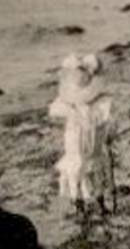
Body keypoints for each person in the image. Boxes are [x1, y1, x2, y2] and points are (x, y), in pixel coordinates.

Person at [46, 53, 114, 217]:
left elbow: (109, 124)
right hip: (76, 147)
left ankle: (98, 203)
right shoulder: (69, 105)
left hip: (92, 147)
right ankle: (80, 205)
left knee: (92, 170)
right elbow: (54, 112)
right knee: (77, 172)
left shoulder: (100, 103)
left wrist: (109, 135)